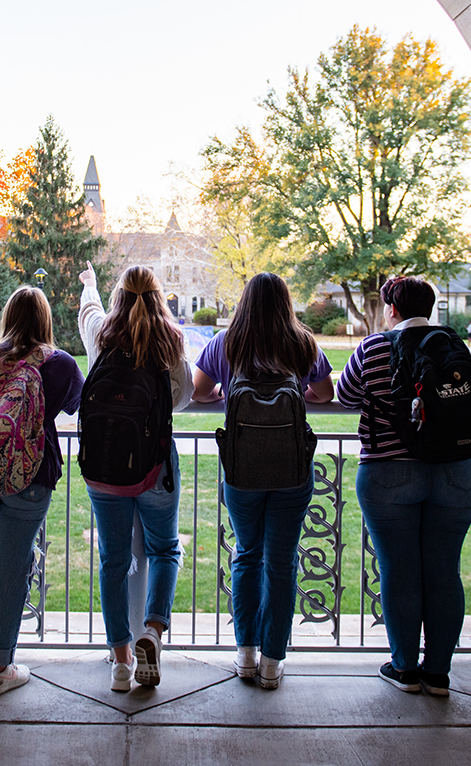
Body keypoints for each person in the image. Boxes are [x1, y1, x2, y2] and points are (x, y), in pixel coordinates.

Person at [336, 276, 471, 697]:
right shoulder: (452, 344)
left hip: (388, 473)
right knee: (444, 570)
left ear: (392, 310)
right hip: (454, 472)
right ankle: (438, 672)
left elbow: (346, 396)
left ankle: (404, 668)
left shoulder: (375, 347)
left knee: (399, 571)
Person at [191, 272, 334, 689]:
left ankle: (246, 655)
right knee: (282, 561)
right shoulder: (302, 343)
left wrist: (223, 396)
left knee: (247, 555)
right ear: (286, 303)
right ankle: (273, 662)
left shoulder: (226, 344)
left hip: (242, 471)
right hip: (291, 470)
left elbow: (200, 392)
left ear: (245, 303)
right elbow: (324, 394)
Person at [0, 286, 83, 696]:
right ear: (46, 320)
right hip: (29, 474)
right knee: (12, 568)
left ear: (7, 315)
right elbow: (73, 405)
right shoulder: (59, 363)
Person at [77, 261, 194, 691]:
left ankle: (122, 662)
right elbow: (180, 398)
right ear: (159, 296)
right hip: (155, 467)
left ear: (119, 296)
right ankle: (153, 632)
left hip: (104, 470)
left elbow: (88, 314)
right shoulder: (171, 340)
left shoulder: (102, 335)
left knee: (113, 561)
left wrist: (89, 286)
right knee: (164, 550)